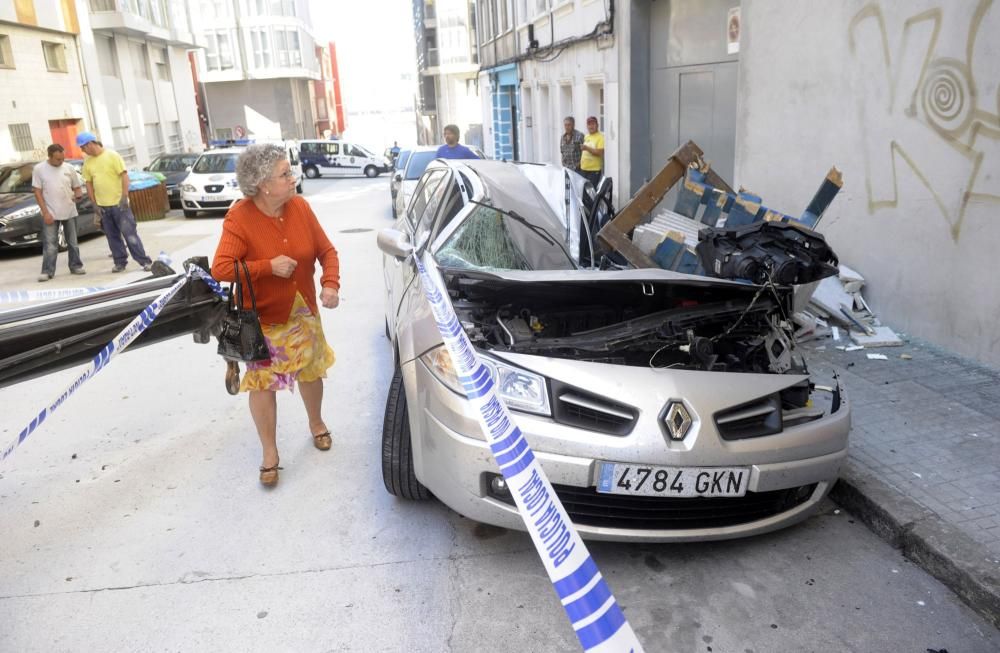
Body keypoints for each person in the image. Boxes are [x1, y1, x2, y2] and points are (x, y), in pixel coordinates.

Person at [211, 143, 341, 487]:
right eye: (285, 174)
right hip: (265, 318)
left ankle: (316, 422)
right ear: (263, 184)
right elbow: (221, 267)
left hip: (303, 310)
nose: (292, 178)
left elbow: (327, 251)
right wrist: (267, 267)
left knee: (311, 371)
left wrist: (330, 284)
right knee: (263, 384)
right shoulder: (239, 217)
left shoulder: (300, 206)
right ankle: (270, 452)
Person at [77, 131, 153, 273]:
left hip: (119, 205)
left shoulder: (112, 156)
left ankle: (144, 261)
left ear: (90, 144)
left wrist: (124, 196)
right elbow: (88, 183)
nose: (82, 150)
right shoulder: (88, 162)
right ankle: (120, 262)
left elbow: (124, 176)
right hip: (103, 207)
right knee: (112, 237)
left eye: (83, 147)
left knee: (130, 234)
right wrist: (94, 204)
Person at [31, 144, 86, 282]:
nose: (61, 161)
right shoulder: (39, 169)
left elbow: (77, 188)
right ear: (49, 157)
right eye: (57, 159)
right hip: (50, 212)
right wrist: (45, 212)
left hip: (69, 210)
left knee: (72, 242)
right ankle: (47, 271)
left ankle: (76, 265)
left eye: (62, 158)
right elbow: (37, 192)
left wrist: (78, 195)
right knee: (50, 243)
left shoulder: (69, 168)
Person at [580, 116, 605, 187]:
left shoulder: (601, 137)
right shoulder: (586, 136)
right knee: (584, 192)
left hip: (594, 171)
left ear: (597, 125)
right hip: (584, 169)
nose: (591, 126)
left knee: (592, 193)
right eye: (589, 124)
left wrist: (587, 148)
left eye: (593, 124)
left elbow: (600, 152)